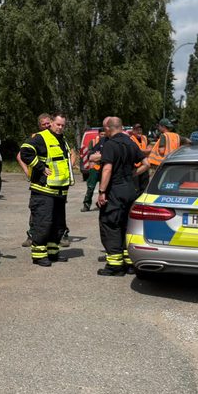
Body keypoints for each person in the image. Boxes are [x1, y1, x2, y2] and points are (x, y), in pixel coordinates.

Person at [19, 112, 74, 267]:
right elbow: (24, 151)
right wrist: (40, 167)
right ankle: (39, 255)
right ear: (51, 123)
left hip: (59, 191)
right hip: (44, 190)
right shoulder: (41, 137)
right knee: (43, 223)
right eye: (58, 124)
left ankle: (52, 252)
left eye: (63, 125)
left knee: (58, 224)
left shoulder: (62, 139)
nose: (60, 127)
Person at [96, 116, 147, 276]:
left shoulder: (110, 145)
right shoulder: (131, 142)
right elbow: (146, 163)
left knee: (111, 225)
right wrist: (133, 174)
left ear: (109, 129)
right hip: (131, 190)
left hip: (115, 191)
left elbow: (107, 169)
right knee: (127, 226)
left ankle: (115, 266)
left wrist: (102, 191)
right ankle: (130, 263)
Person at [18, 114, 53, 247]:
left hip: (55, 183)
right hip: (39, 181)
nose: (46, 126)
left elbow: (71, 153)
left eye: (48, 123)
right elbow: (20, 155)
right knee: (36, 210)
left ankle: (59, 235)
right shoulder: (36, 138)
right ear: (40, 126)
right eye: (43, 124)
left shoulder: (58, 136)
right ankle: (31, 236)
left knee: (55, 211)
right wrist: (27, 171)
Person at [81, 128, 106, 211]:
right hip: (94, 168)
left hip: (104, 168)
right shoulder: (93, 142)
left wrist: (99, 156)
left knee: (103, 188)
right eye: (101, 134)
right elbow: (90, 155)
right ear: (99, 134)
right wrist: (98, 157)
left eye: (104, 134)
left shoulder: (109, 142)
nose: (103, 136)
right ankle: (86, 204)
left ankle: (101, 203)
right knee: (91, 187)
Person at [129, 123, 150, 191]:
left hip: (144, 165)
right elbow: (135, 151)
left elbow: (150, 149)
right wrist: (145, 151)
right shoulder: (130, 139)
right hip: (135, 166)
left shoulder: (144, 138)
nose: (139, 131)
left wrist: (141, 151)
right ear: (133, 131)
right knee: (136, 188)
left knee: (144, 187)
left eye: (140, 130)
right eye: (137, 130)